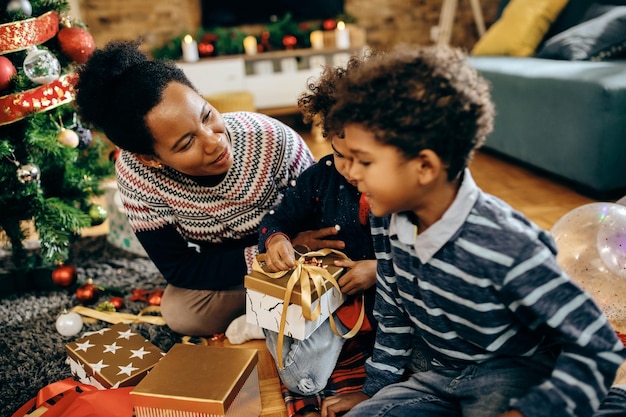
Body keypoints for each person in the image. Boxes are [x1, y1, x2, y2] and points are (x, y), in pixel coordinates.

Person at [315, 44, 626, 417]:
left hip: (510, 374)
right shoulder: (388, 218)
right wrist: (373, 391)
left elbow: (598, 344)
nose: (353, 173)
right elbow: (393, 309)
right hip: (437, 372)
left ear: (424, 167)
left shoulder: (507, 243)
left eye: (364, 161)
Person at [74, 40, 315, 336]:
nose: (214, 141)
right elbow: (180, 268)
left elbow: (328, 216)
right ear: (150, 158)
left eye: (207, 115)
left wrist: (297, 248)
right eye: (187, 143)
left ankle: (273, 313)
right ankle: (281, 311)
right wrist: (261, 255)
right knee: (181, 311)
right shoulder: (136, 175)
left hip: (303, 253)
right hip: (242, 267)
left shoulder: (270, 139)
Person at [227, 57, 379, 417]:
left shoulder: (401, 192)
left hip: (387, 304)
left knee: (428, 364)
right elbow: (277, 219)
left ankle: (275, 323)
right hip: (327, 304)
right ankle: (269, 320)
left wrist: (376, 270)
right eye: (341, 155)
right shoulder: (320, 177)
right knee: (304, 381)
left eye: (365, 158)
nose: (351, 169)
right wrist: (278, 239)